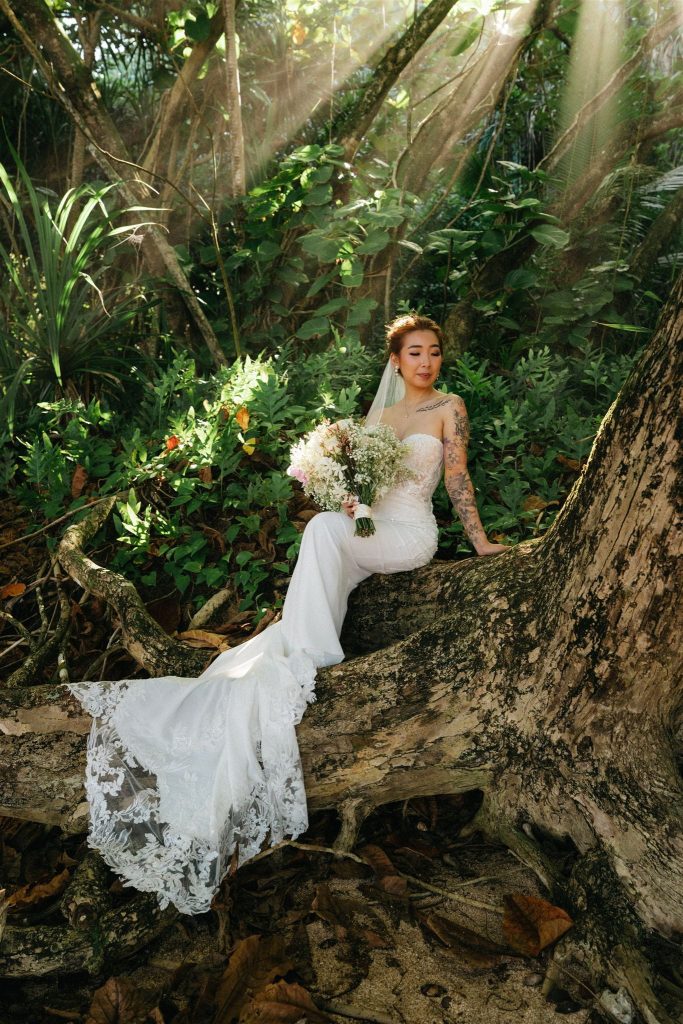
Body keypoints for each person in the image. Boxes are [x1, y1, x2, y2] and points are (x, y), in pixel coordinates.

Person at [68, 313, 507, 915]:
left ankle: (310, 656)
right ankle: (299, 646)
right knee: (328, 527)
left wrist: (480, 543)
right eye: (414, 353)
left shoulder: (448, 408)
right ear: (396, 361)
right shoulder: (378, 418)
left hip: (411, 534)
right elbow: (365, 488)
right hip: (370, 526)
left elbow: (456, 479)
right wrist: (350, 496)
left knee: (323, 531)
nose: (426, 362)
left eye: (433, 351)